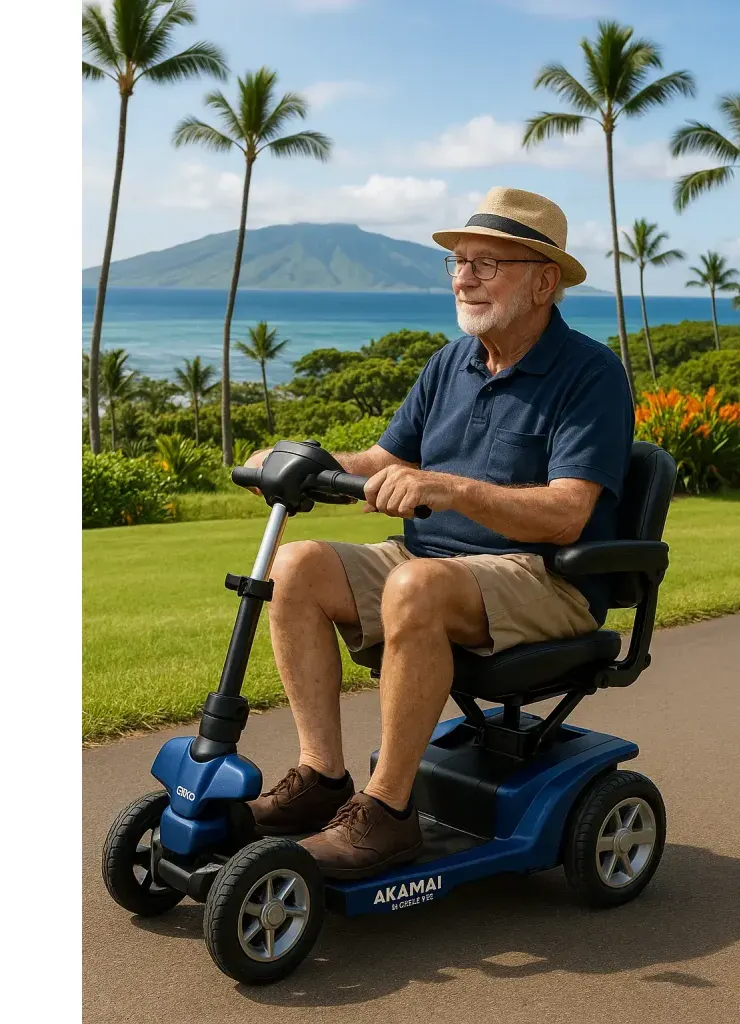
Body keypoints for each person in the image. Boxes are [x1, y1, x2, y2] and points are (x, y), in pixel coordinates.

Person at [243, 187, 634, 880]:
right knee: (297, 566)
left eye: (489, 263)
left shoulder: (591, 375)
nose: (465, 276)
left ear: (544, 282)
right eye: (459, 261)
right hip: (430, 560)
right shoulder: (449, 363)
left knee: (415, 585)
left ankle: (387, 815)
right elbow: (383, 462)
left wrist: (447, 488)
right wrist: (297, 461)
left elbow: (567, 512)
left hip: (544, 578)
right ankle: (323, 777)